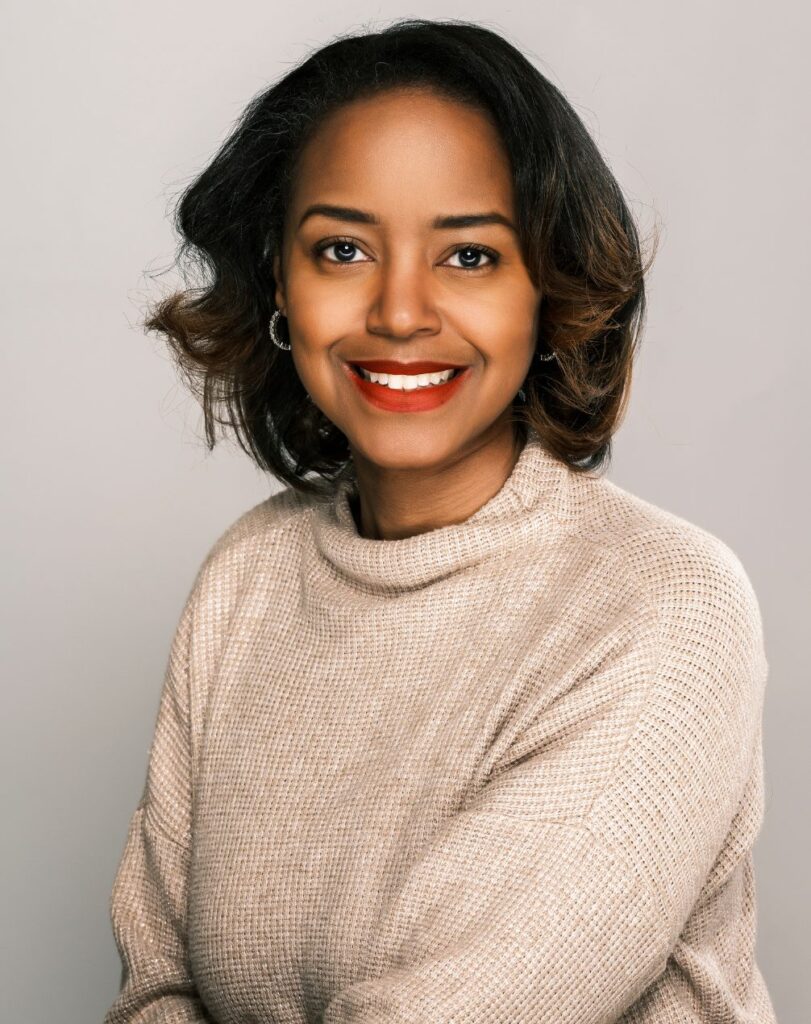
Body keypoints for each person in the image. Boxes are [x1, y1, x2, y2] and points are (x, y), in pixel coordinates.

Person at [103, 18, 776, 1024]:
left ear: (544, 290)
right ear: (280, 284)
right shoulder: (247, 576)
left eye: (467, 256)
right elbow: (156, 991)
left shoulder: (665, 604)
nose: (400, 312)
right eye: (342, 249)